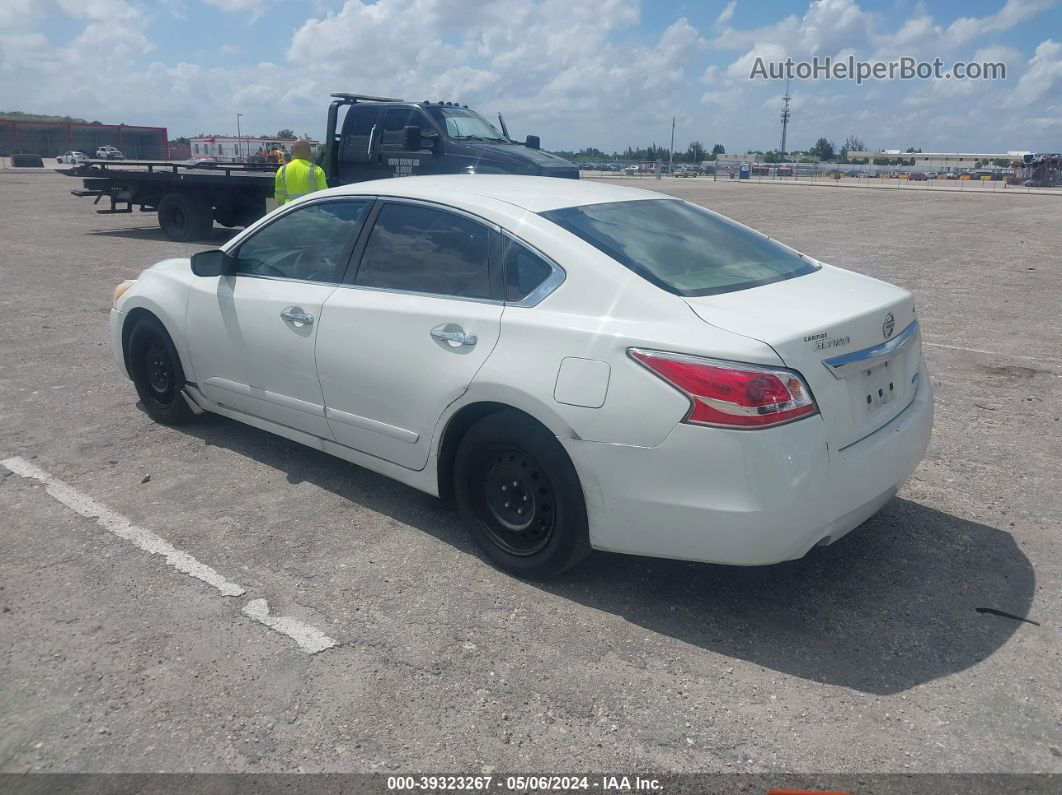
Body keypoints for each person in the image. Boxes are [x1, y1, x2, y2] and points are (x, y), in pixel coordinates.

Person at [274, 139, 327, 205]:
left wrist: (283, 209)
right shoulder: (317, 170)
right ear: (309, 152)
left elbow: (279, 195)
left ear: (293, 152)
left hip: (290, 211)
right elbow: (323, 195)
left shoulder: (282, 170)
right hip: (310, 210)